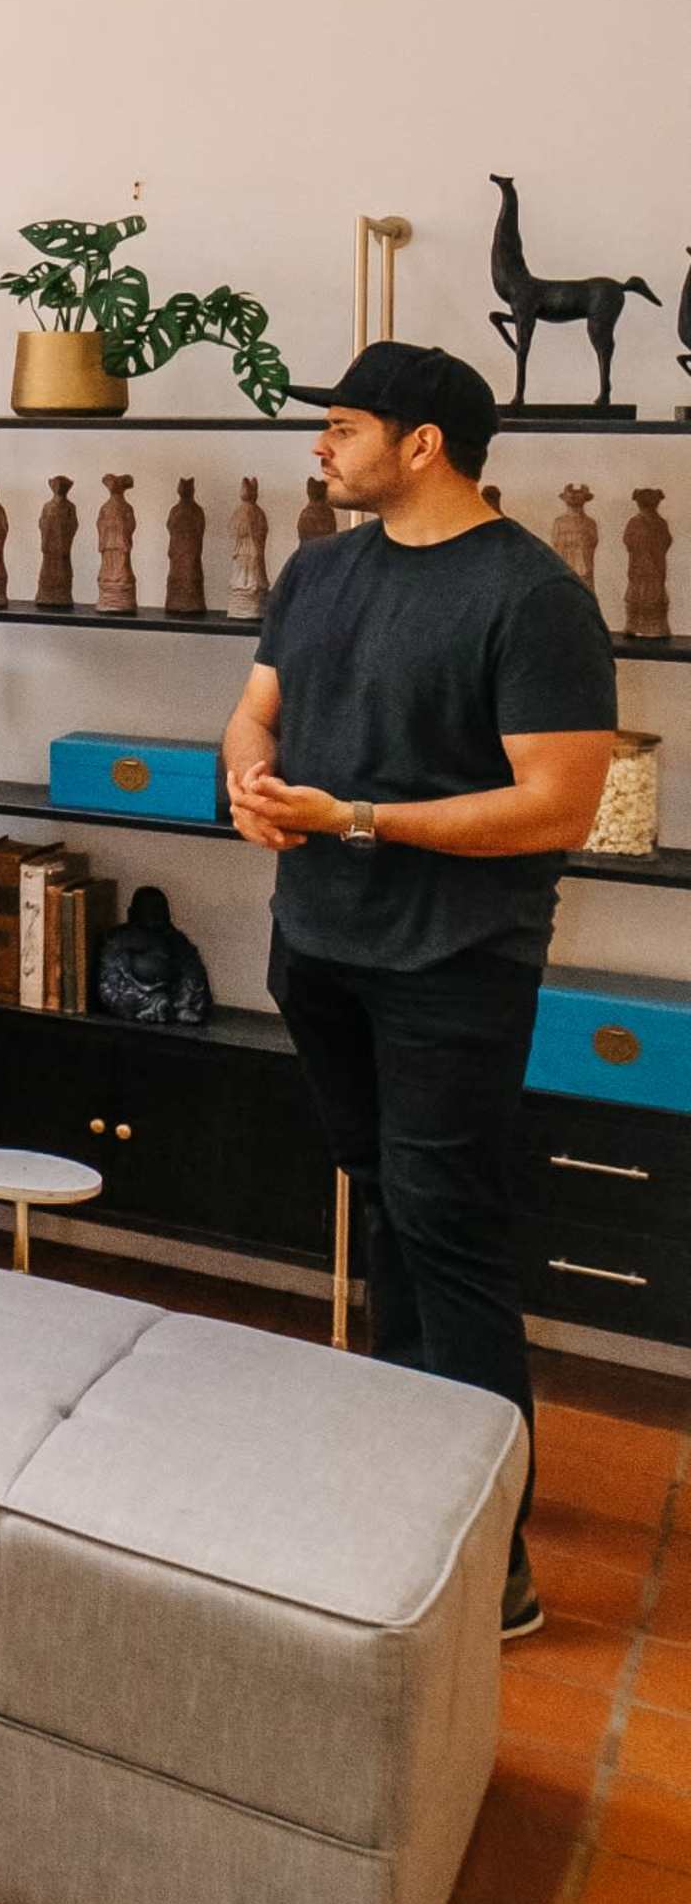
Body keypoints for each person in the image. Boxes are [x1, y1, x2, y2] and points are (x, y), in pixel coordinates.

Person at [224, 338, 617, 1642]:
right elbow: (257, 711)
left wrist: (360, 819)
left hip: (454, 961)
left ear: (423, 442)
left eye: (341, 426)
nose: (321, 448)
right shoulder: (320, 568)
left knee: (449, 1226)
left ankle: (493, 1549)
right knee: (386, 1201)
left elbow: (558, 803)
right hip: (320, 948)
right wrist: (248, 780)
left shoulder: (533, 597)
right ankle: (410, 1475)